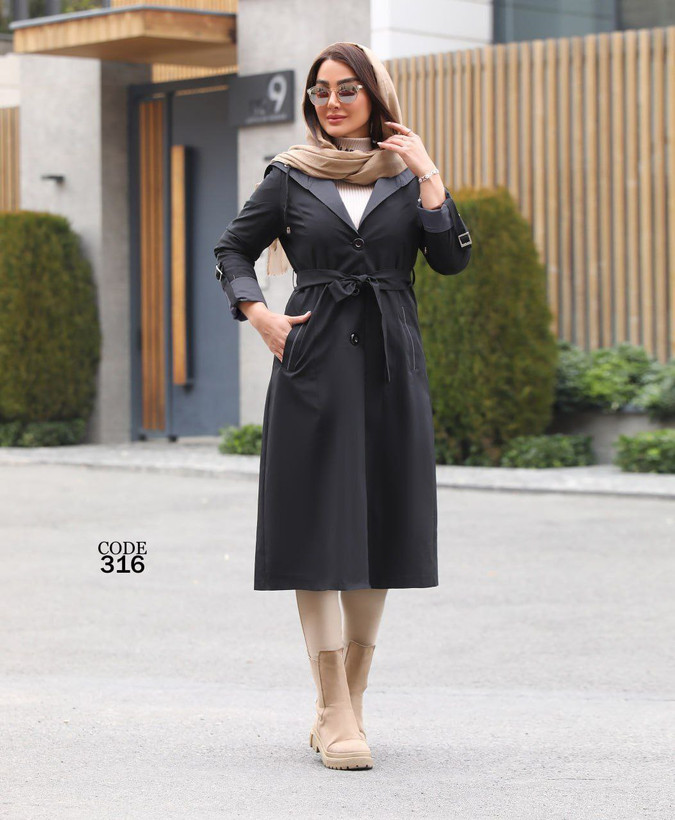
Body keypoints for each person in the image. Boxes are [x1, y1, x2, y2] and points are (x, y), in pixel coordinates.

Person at [213, 41, 472, 771]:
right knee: (316, 525)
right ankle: (333, 709)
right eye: (320, 91)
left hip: (391, 367)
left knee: (380, 523)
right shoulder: (289, 175)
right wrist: (259, 315)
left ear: (375, 96)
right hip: (314, 363)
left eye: (346, 89)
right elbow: (231, 250)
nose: (330, 102)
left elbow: (451, 258)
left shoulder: (407, 176)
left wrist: (429, 176)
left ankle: (347, 703)